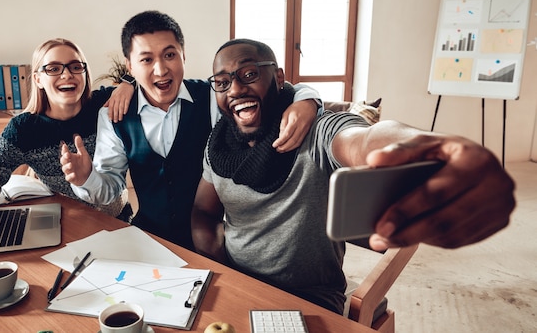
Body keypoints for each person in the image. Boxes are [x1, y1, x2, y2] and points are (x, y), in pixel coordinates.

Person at [191, 38, 516, 315]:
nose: (235, 88)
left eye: (249, 74)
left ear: (278, 77)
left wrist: (427, 148)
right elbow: (204, 214)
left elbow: (363, 139)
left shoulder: (314, 130)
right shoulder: (217, 146)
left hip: (309, 300)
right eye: (222, 82)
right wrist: (223, 272)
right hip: (236, 285)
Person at [61, 10, 321, 250]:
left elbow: (272, 91)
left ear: (184, 55)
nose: (161, 69)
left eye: (170, 55)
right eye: (146, 59)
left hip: (213, 240)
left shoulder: (212, 96)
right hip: (147, 240)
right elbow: (111, 192)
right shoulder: (113, 115)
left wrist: (308, 99)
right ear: (130, 67)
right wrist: (86, 179)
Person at [0, 37, 134, 217]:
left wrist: (129, 83)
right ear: (38, 79)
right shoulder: (23, 129)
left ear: (84, 72)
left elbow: (151, 82)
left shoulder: (106, 104)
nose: (66, 75)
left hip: (115, 218)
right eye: (53, 69)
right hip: (66, 222)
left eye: (75, 66)